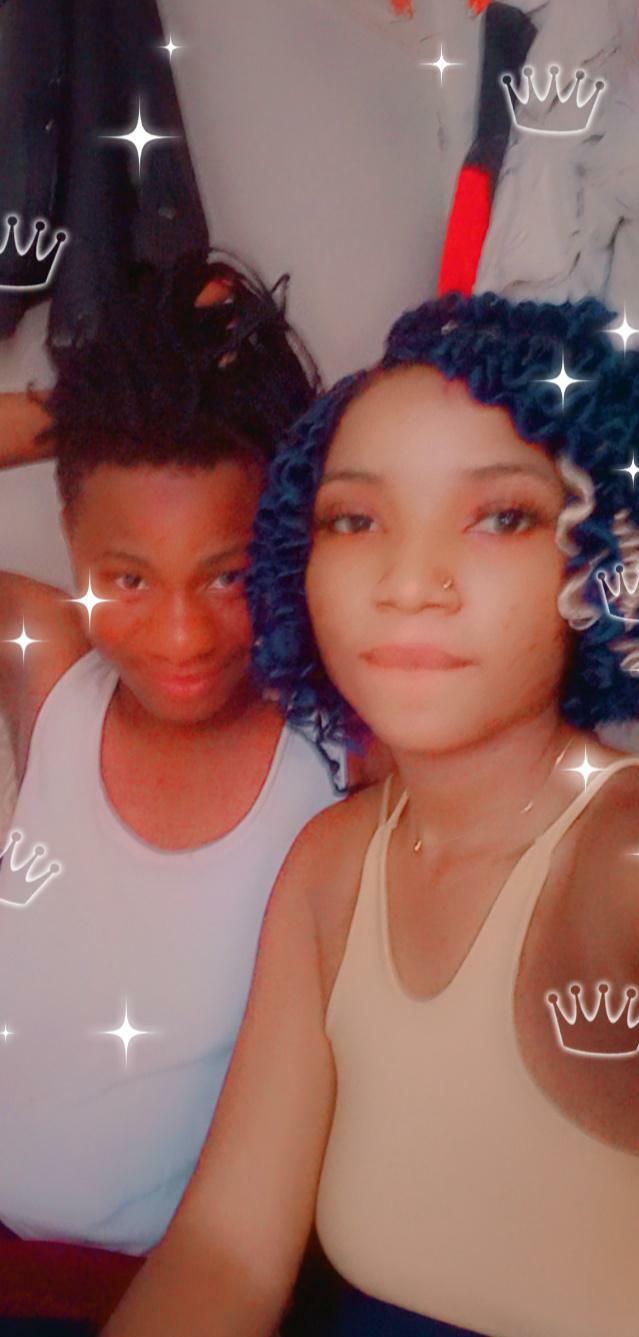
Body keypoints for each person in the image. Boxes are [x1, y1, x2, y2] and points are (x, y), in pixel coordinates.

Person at [104, 290, 639, 1337]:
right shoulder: (331, 863)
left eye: (502, 515)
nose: (409, 580)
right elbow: (224, 1251)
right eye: (354, 519)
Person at [0, 255, 383, 1327]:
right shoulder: (51, 670)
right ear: (73, 548)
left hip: (186, 1292)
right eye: (127, 577)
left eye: (228, 576)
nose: (181, 636)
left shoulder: (345, 744)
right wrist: (79, 417)